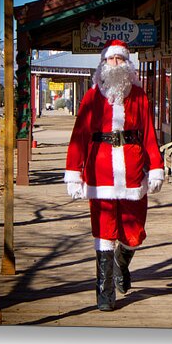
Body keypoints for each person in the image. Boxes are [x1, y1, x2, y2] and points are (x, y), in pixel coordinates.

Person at [64, 39, 164, 311]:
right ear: (103, 63)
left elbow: (150, 135)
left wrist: (155, 166)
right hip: (101, 173)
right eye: (111, 60)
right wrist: (74, 172)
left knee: (134, 232)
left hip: (133, 172)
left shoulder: (140, 96)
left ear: (127, 63)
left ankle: (122, 263)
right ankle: (104, 292)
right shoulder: (91, 97)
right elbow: (79, 137)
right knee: (104, 231)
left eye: (120, 60)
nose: (115, 64)